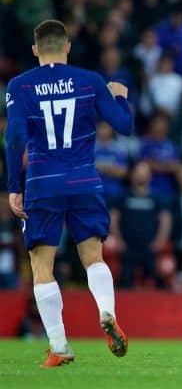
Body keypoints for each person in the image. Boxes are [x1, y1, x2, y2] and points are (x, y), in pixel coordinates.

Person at [5, 20, 133, 367]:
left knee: (41, 263)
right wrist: (120, 98)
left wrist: (13, 187)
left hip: (43, 182)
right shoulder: (89, 80)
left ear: (35, 49)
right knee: (93, 255)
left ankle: (60, 346)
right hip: (83, 181)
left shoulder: (20, 85)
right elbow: (124, 127)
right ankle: (107, 311)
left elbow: (14, 138)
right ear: (68, 46)